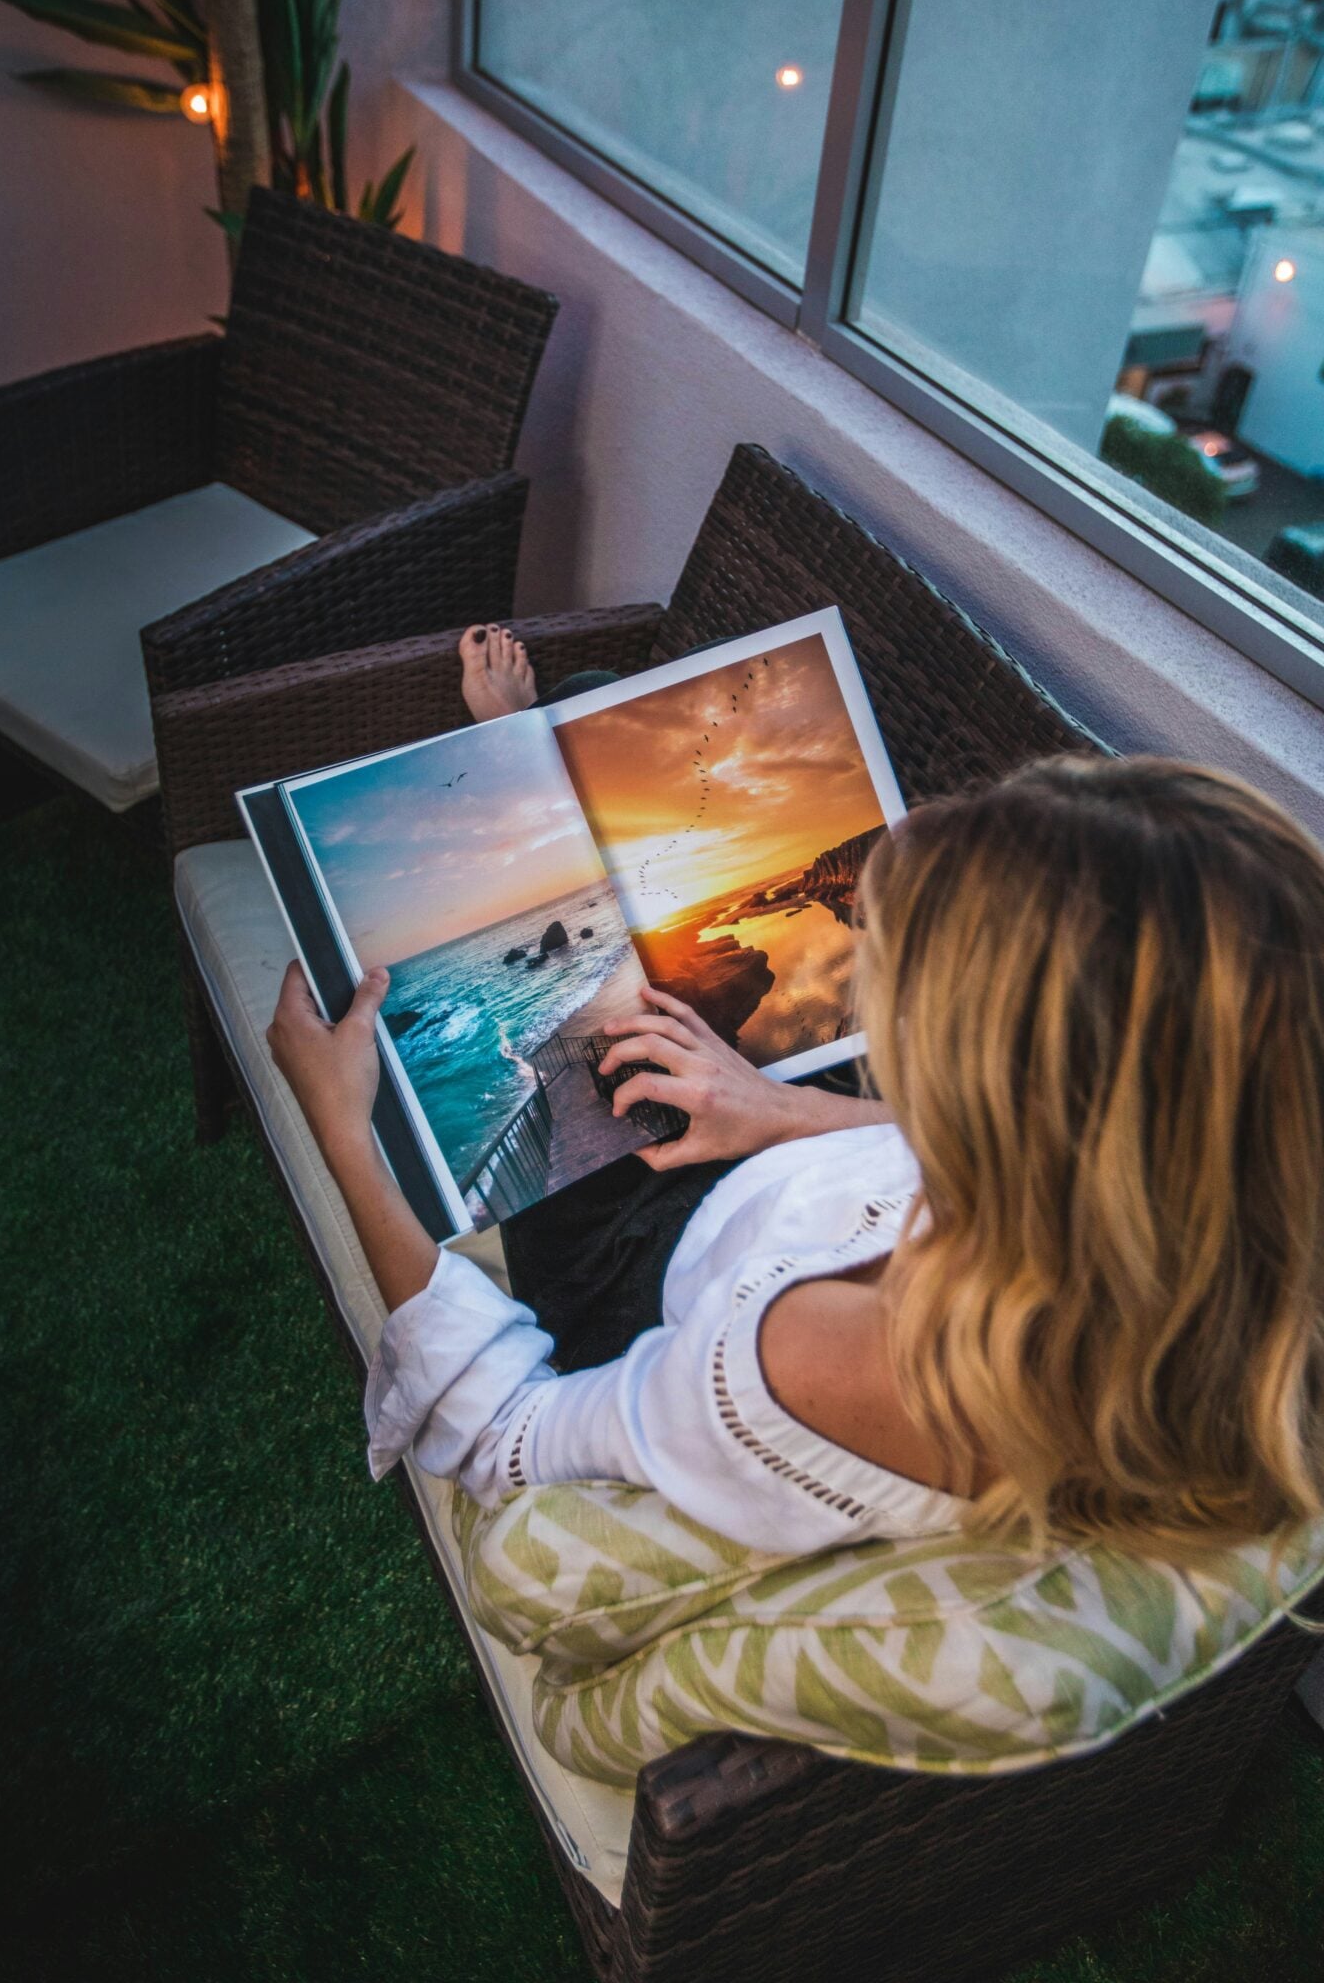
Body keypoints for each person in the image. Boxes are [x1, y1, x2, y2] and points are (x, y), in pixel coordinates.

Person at [267, 658, 1324, 1561]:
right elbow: (1000, 1168)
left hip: (644, 1263)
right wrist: (778, 1111)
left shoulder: (821, 1355)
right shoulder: (1210, 1222)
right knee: (599, 723)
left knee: (602, 1056)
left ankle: (530, 777)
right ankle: (537, 766)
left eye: (900, 977)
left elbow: (503, 1433)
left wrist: (343, 1134)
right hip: (795, 1173)